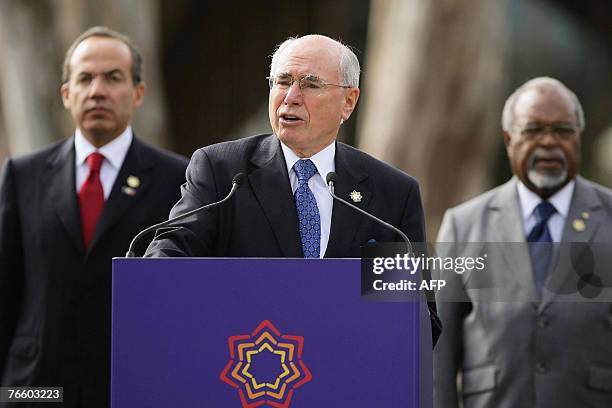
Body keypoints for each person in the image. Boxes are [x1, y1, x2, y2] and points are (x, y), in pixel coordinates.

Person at [144, 34, 441, 344]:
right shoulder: (223, 171)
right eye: (282, 82)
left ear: (349, 102)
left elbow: (419, 316)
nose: (291, 97)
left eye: (310, 84)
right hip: (242, 368)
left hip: (348, 376)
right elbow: (170, 251)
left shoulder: (392, 193)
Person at [0, 27, 188, 407]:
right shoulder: (23, 175)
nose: (97, 90)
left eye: (113, 77)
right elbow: (7, 292)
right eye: (84, 78)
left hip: (132, 386)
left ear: (138, 93)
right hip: (37, 390)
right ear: (67, 94)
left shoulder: (177, 180)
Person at [434, 77, 612, 407]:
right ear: (508, 139)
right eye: (533, 130)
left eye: (562, 131)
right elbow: (440, 351)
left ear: (579, 139)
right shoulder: (463, 226)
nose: (549, 142)